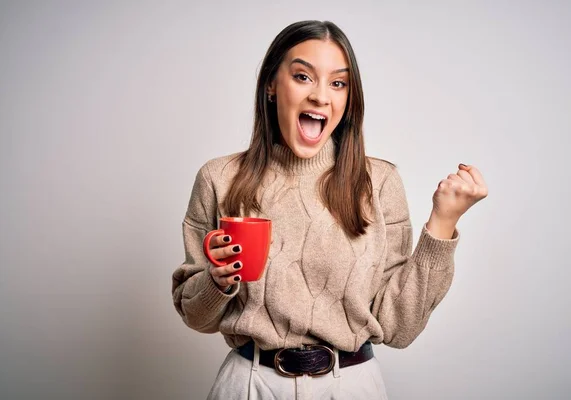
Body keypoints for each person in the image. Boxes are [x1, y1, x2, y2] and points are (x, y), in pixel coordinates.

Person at [172, 20, 487, 400]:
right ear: (271, 85)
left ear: (348, 98)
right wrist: (218, 281)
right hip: (250, 384)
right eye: (303, 76)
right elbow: (194, 314)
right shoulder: (219, 178)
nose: (321, 96)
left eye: (338, 83)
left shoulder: (380, 182)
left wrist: (443, 222)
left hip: (352, 386)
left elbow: (399, 329)